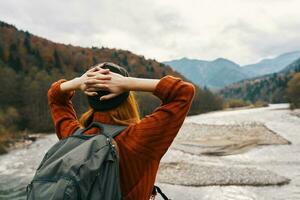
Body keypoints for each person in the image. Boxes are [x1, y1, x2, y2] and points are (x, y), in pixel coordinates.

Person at [47, 62, 195, 200]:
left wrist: (77, 82)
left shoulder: (74, 136)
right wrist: (126, 83)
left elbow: (55, 97)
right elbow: (183, 91)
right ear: (127, 97)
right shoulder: (141, 137)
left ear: (89, 94)